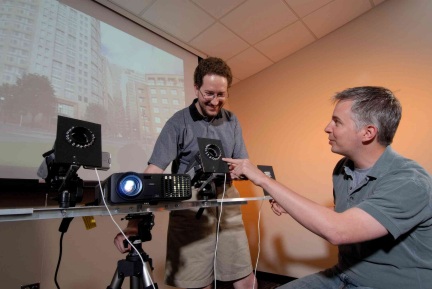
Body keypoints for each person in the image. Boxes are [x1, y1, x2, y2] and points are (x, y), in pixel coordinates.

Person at [224, 86, 432, 289]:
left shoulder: (410, 182)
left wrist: (262, 179)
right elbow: (350, 216)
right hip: (343, 274)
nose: (327, 127)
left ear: (368, 132)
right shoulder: (342, 169)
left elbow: (339, 230)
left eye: (337, 122)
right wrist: (291, 206)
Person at [114, 57, 257, 289]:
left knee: (245, 279)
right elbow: (154, 171)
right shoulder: (178, 122)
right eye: (208, 93)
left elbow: (245, 165)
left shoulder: (232, 121)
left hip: (226, 204)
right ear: (196, 88)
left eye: (221, 95)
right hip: (189, 206)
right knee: (199, 284)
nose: (215, 101)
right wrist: (134, 224)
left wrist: (273, 194)